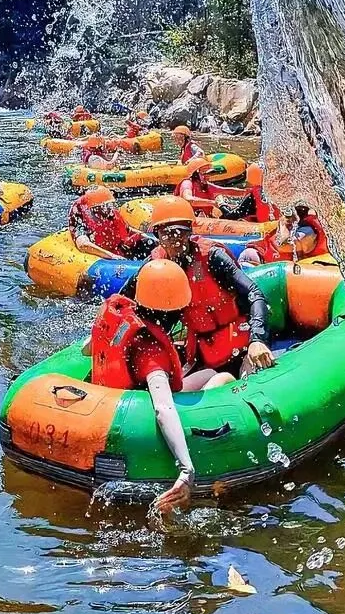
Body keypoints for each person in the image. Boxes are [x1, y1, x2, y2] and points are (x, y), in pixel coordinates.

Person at [91, 260, 235, 514]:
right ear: (172, 310)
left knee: (212, 373)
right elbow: (163, 408)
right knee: (223, 379)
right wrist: (186, 470)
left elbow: (88, 349)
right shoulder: (151, 352)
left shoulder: (123, 316)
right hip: (137, 412)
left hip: (115, 396)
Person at [145, 197, 275, 377]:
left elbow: (253, 293)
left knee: (246, 375)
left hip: (241, 345)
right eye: (167, 234)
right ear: (157, 237)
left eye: (180, 232)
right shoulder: (156, 267)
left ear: (190, 232)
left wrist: (257, 339)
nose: (175, 240)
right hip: (204, 352)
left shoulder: (213, 257)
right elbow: (136, 309)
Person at [67, 187, 156, 261]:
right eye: (105, 206)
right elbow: (83, 244)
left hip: (122, 248)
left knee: (149, 243)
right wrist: (112, 256)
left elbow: (127, 230)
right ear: (95, 208)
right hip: (107, 255)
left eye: (110, 204)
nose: (110, 208)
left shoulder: (110, 213)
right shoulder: (81, 218)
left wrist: (147, 237)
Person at [238, 204, 327, 266]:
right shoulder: (301, 226)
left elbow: (283, 244)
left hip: (269, 265)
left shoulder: (308, 232)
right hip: (258, 256)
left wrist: (284, 222)